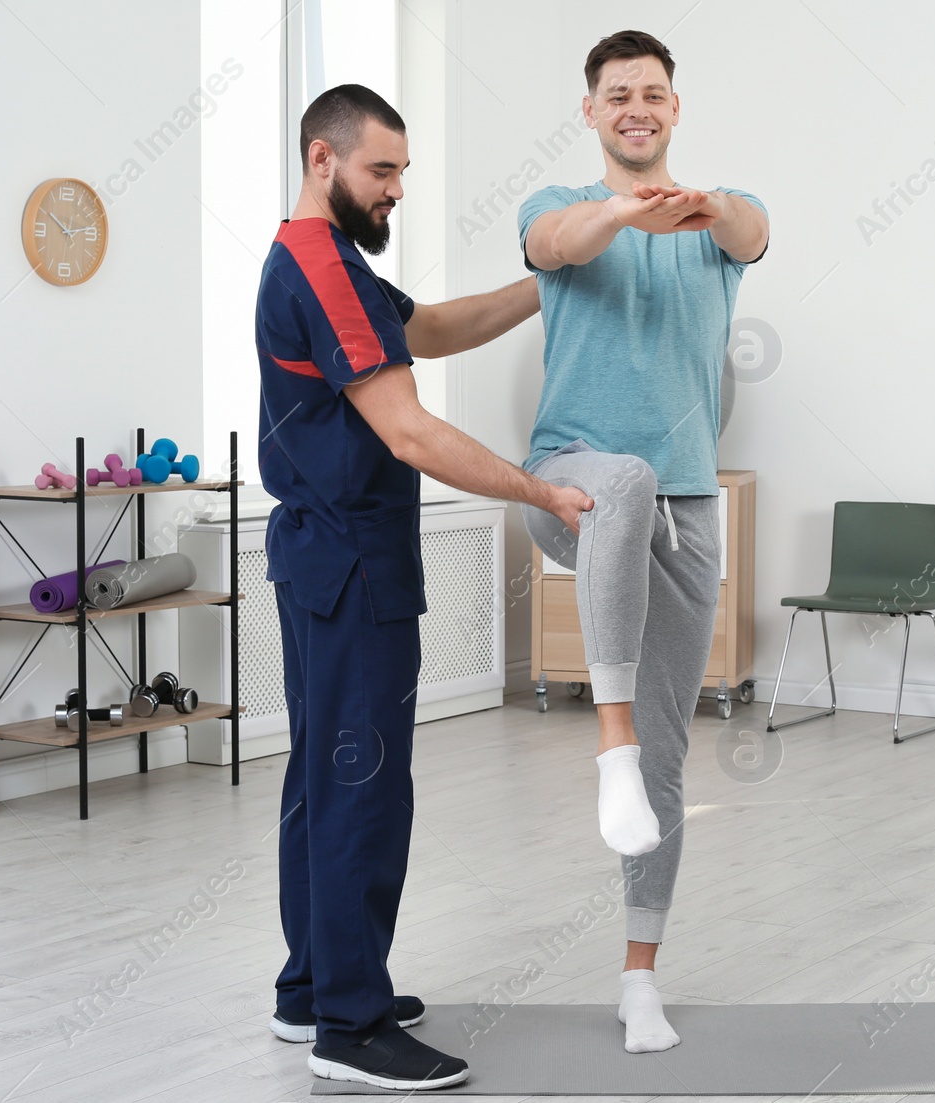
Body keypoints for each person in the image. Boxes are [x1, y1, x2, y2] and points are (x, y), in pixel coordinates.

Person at [255, 83, 592, 1091]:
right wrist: (541, 490)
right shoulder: (322, 269)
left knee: (321, 771)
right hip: (352, 558)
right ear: (324, 159)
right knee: (361, 782)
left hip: (322, 552)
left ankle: (311, 983)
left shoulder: (327, 260)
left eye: (402, 171)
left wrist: (548, 277)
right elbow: (408, 429)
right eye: (382, 171)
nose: (396, 189)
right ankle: (351, 1026)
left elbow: (435, 326)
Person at [517, 30, 769, 1054]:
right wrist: (623, 212)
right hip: (567, 475)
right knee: (617, 478)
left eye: (653, 94)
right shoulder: (555, 207)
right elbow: (558, 248)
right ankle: (606, 738)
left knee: (671, 761)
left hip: (688, 505)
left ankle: (637, 977)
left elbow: (752, 234)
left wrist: (701, 206)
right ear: (591, 110)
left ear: (674, 108)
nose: (636, 107)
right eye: (617, 94)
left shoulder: (713, 221)